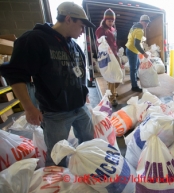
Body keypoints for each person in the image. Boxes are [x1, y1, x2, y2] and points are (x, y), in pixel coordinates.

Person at [0, 2, 96, 167]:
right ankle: (58, 185)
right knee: (57, 155)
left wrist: (83, 93)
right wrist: (29, 108)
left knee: (89, 143)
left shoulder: (73, 45)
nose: (82, 31)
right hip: (56, 112)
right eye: (81, 26)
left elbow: (78, 72)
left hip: (80, 108)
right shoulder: (35, 40)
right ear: (68, 19)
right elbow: (16, 75)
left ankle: (85, 170)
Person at [95, 8, 121, 107]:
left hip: (115, 54)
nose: (111, 22)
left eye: (112, 20)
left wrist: (118, 52)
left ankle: (113, 90)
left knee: (119, 76)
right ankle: (112, 98)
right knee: (111, 77)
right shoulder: (100, 30)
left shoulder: (113, 29)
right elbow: (99, 43)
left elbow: (114, 42)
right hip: (107, 57)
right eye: (109, 20)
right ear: (105, 20)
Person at [125, 15, 150, 92]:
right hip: (132, 50)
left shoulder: (134, 27)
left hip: (130, 49)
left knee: (137, 65)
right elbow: (136, 44)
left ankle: (134, 77)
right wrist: (144, 53)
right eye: (145, 23)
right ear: (141, 21)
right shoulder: (140, 30)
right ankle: (134, 86)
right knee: (133, 69)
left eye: (147, 23)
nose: (146, 24)